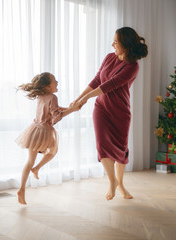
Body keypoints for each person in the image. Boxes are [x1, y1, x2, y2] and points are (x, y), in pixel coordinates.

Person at [71, 27, 148, 200]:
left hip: (120, 111)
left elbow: (108, 86)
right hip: (101, 109)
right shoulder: (109, 57)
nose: (112, 43)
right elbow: (97, 80)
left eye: (116, 41)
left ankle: (120, 183)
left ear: (126, 44)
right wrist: (79, 98)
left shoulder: (132, 66)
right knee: (102, 145)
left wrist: (84, 100)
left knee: (121, 150)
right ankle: (112, 181)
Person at [16, 72, 79, 204]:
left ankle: (21, 189)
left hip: (34, 129)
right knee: (53, 152)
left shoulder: (41, 96)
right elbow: (56, 116)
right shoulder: (52, 97)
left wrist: (69, 108)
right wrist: (72, 110)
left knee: (29, 161)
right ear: (47, 86)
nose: (57, 82)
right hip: (44, 131)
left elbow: (53, 109)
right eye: (54, 80)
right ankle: (37, 168)